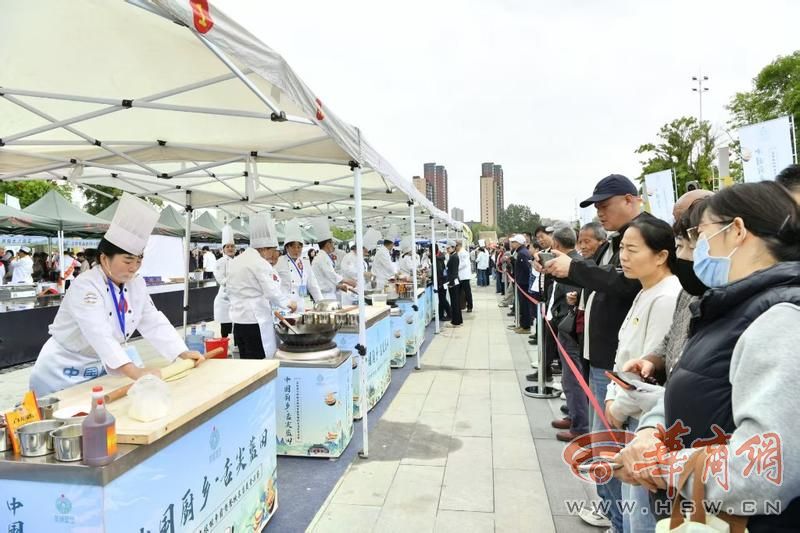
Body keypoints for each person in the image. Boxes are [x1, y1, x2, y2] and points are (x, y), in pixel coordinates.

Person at [615, 181, 800, 532]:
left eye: (701, 234)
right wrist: (651, 432)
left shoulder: (781, 319)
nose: (695, 248)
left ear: (738, 230)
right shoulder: (731, 307)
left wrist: (664, 466)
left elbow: (762, 469)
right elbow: (687, 385)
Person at [542, 174, 648, 532]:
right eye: (597, 208)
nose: (601, 213)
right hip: (601, 357)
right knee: (604, 446)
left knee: (610, 448)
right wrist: (576, 284)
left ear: (632, 201)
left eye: (606, 205)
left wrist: (575, 269)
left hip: (616, 362)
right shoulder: (615, 242)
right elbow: (606, 281)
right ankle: (614, 515)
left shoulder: (639, 237)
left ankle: (616, 519)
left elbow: (622, 282)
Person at [29, 194, 204, 396]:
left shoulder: (136, 283)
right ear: (104, 258)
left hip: (101, 365)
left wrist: (181, 352)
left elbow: (152, 320)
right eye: (128, 261)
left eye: (139, 261)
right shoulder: (85, 286)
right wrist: (136, 372)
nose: (134, 268)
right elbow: (98, 333)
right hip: (62, 368)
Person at [228, 213, 297, 359]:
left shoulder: (236, 261)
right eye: (272, 250)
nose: (273, 255)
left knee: (246, 363)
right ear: (265, 248)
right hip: (255, 322)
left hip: (239, 322)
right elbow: (271, 291)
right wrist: (288, 303)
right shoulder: (259, 263)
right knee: (259, 364)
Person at [275, 220, 323, 313]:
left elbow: (313, 285)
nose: (296, 250)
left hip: (300, 306)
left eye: (299, 247)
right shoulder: (279, 261)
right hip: (284, 307)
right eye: (293, 247)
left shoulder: (305, 262)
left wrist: (321, 303)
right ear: (287, 247)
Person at [311, 217, 355, 300]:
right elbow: (330, 274)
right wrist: (347, 281)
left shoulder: (324, 256)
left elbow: (327, 278)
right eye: (332, 243)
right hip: (324, 296)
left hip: (329, 293)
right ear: (327, 244)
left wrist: (338, 286)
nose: (333, 246)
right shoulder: (321, 257)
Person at [213, 226, 237, 341]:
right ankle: (225, 345)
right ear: (223, 249)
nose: (230, 248)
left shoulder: (239, 261)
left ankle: (237, 346)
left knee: (237, 325)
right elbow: (220, 279)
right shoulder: (219, 262)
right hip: (224, 299)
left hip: (237, 298)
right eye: (228, 246)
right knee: (225, 326)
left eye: (232, 246)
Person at [509, 234, 532, 333]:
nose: (512, 243)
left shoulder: (522, 253)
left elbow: (526, 269)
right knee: (522, 305)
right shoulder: (519, 252)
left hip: (524, 283)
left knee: (524, 305)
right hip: (521, 282)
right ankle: (522, 324)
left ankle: (526, 326)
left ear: (518, 243)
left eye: (513, 242)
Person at [445, 240, 462, 327]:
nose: (447, 250)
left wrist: (451, 282)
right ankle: (457, 319)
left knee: (455, 302)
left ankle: (456, 320)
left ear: (453, 248)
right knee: (455, 301)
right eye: (447, 248)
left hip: (454, 282)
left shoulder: (454, 257)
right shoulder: (453, 256)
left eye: (448, 248)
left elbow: (454, 272)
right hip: (453, 281)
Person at [435, 243, 451, 321]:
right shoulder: (440, 257)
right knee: (441, 299)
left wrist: (440, 283)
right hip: (443, 280)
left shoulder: (437, 259)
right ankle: (440, 315)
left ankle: (449, 313)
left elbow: (439, 272)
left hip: (441, 281)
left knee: (442, 299)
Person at [457, 239, 473, 312]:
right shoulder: (460, 252)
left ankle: (470, 306)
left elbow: (464, 264)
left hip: (464, 276)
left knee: (467, 292)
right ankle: (461, 305)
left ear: (459, 245)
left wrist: (456, 267)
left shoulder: (463, 253)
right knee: (461, 291)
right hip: (461, 275)